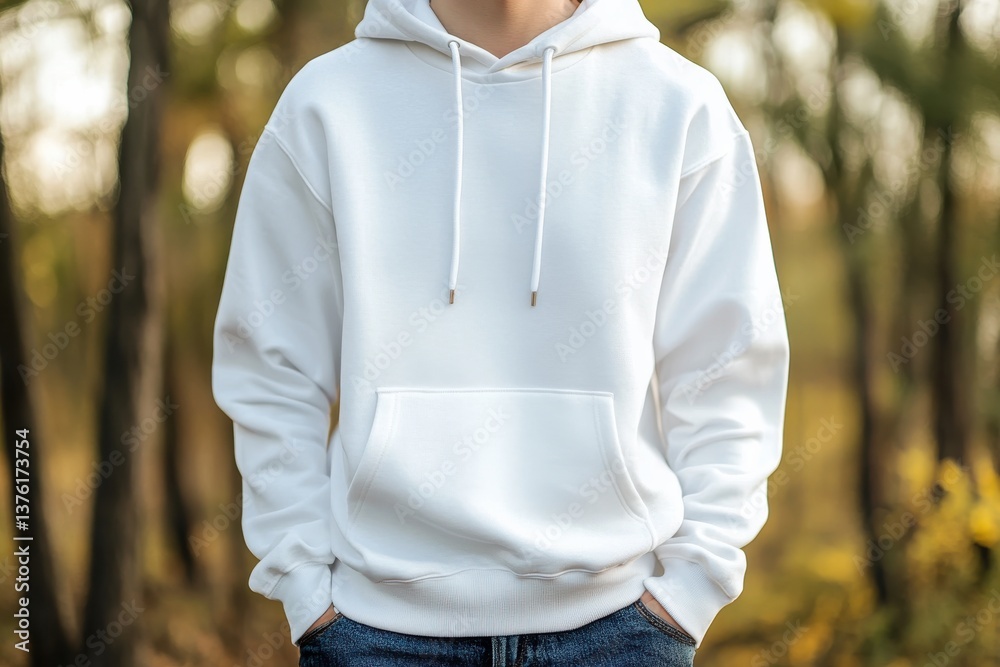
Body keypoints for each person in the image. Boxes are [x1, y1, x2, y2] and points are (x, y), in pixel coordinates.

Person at [211, 0, 791, 664]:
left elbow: (727, 368)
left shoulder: (679, 105)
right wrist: (303, 586)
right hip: (371, 631)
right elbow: (271, 366)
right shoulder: (326, 103)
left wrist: (691, 588)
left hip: (622, 628)